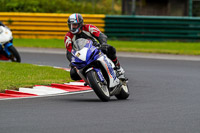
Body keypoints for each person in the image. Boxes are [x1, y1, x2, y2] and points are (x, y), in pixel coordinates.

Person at [64, 13, 125, 80]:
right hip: (81, 56)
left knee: (110, 49)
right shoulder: (68, 36)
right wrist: (73, 62)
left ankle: (118, 68)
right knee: (73, 74)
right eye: (71, 25)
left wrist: (103, 44)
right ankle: (89, 79)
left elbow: (101, 35)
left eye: (75, 25)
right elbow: (69, 52)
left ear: (80, 24)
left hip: (95, 49)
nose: (73, 27)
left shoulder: (88, 28)